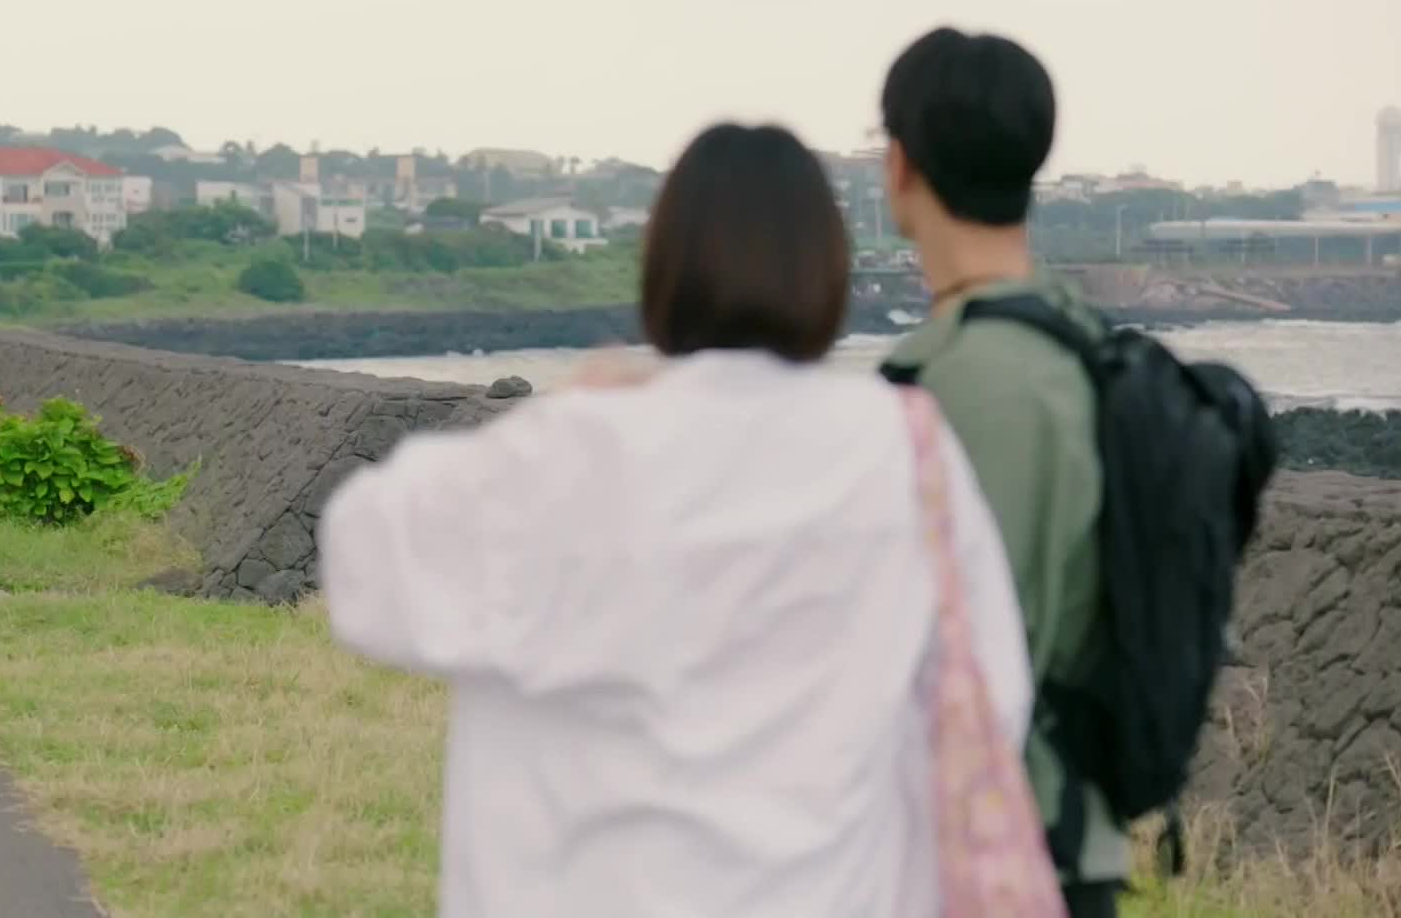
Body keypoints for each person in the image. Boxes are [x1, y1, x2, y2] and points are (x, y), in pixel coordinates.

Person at [317, 123, 1042, 916]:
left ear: (665, 267)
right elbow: (992, 695)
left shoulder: (577, 450)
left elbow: (364, 560)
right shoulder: (903, 453)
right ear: (829, 272)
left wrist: (563, 414)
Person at [875, 26, 1127, 916]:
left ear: (900, 166)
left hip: (990, 846)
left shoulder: (956, 383)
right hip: (1075, 834)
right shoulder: (1086, 345)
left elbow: (964, 652)